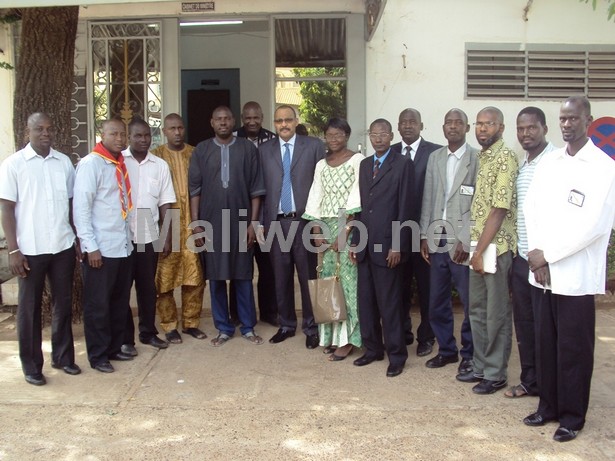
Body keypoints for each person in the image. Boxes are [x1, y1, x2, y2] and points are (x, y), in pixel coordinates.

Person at [523, 96, 615, 442]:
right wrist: (536, 253)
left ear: (587, 121)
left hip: (574, 275)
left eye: (573, 119)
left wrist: (549, 256)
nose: (566, 124)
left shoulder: (604, 166)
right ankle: (548, 407)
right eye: (562, 119)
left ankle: (573, 417)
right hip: (544, 272)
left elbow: (594, 225)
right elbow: (533, 207)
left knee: (574, 349)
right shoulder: (551, 162)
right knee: (546, 343)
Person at [0, 113, 80, 385]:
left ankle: (63, 357)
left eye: (49, 128)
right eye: (39, 129)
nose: (45, 133)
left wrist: (77, 239)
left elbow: (71, 205)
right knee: (29, 309)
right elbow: (7, 209)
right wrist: (13, 250)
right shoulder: (13, 165)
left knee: (63, 305)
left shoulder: (64, 163)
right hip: (30, 249)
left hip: (62, 245)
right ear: (28, 131)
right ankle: (32, 366)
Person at [189, 106, 266, 346]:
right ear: (212, 123)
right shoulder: (201, 150)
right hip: (211, 223)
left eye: (227, 119)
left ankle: (247, 326)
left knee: (243, 276)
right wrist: (197, 224)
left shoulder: (247, 148)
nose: (223, 123)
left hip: (241, 222)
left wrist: (253, 224)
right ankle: (223, 327)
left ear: (234, 122)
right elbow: (195, 191)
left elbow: (256, 190)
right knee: (217, 277)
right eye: (218, 119)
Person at [456, 107, 518, 395]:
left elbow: (499, 209)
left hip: (496, 248)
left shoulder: (505, 157)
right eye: (479, 124)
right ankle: (480, 366)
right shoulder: (483, 157)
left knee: (496, 314)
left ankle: (495, 372)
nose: (482, 129)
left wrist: (479, 252)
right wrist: (471, 248)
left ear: (501, 128)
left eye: (489, 124)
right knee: (477, 311)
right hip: (478, 248)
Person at [349, 118, 416, 378]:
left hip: (389, 246)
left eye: (383, 134)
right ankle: (373, 349)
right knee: (366, 302)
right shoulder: (365, 165)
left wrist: (398, 245)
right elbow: (361, 207)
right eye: (373, 134)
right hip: (365, 244)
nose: (378, 138)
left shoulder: (402, 165)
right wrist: (355, 242)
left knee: (389, 305)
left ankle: (396, 356)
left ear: (391, 136)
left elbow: (406, 207)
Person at [259, 105, 326, 349]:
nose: (284, 124)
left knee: (308, 277)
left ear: (296, 121)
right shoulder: (264, 150)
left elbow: (322, 184)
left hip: (304, 222)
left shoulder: (314, 146)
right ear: (274, 123)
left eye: (288, 120)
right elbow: (260, 189)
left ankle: (312, 327)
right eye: (279, 121)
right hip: (276, 223)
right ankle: (286, 324)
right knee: (281, 277)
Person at [73, 119, 135, 373]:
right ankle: (97, 356)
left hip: (122, 246)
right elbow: (81, 209)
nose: (120, 138)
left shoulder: (121, 164)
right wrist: (90, 246)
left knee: (119, 303)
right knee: (98, 305)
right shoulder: (91, 164)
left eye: (123, 134)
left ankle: (112, 348)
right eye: (114, 134)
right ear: (102, 135)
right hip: (101, 249)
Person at [419, 109, 478, 375]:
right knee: (437, 300)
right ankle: (446, 350)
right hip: (437, 239)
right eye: (449, 123)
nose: (453, 127)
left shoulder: (477, 158)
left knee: (468, 301)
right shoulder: (435, 158)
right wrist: (423, 235)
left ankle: (469, 353)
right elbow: (428, 198)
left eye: (458, 123)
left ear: (467, 128)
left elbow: (480, 205)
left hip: (461, 242)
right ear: (443, 128)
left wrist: (466, 239)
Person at [505, 107, 556, 399]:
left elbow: (558, 215)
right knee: (524, 325)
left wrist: (545, 255)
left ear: (544, 129)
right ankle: (530, 381)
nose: (525, 134)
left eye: (531, 128)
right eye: (521, 129)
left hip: (544, 261)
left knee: (545, 327)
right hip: (521, 258)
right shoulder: (523, 165)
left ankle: (548, 386)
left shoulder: (555, 163)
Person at [303, 118, 363, 361]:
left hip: (347, 226)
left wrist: (344, 230)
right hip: (325, 228)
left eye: (339, 134)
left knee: (347, 284)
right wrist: (316, 229)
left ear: (347, 135)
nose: (334, 139)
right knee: (328, 284)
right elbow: (315, 194)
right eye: (329, 135)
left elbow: (357, 196)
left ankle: (349, 340)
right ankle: (331, 337)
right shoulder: (320, 164)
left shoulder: (357, 161)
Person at [120, 118, 176, 356]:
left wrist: (166, 236)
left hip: (148, 235)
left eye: (147, 136)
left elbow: (166, 203)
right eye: (137, 136)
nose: (143, 140)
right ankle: (124, 339)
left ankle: (147, 332)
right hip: (121, 238)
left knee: (146, 288)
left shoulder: (160, 165)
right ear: (128, 136)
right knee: (122, 289)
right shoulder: (118, 161)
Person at [391, 108, 442, 356]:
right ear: (398, 127)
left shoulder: (435, 152)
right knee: (398, 287)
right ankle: (403, 331)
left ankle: (426, 336)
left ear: (421, 126)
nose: (408, 126)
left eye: (413, 122)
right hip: (397, 234)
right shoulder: (389, 152)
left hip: (425, 233)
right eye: (404, 122)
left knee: (426, 288)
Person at [153, 114, 207, 344]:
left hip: (193, 224)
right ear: (164, 131)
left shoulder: (196, 154)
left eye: (180, 128)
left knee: (194, 278)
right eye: (172, 128)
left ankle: (191, 323)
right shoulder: (155, 157)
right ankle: (169, 325)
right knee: (164, 280)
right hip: (166, 225)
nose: (177, 132)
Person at [231, 101, 278, 326]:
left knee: (267, 266)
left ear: (262, 117)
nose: (252, 121)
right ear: (242, 117)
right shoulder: (232, 138)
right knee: (240, 267)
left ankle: (269, 312)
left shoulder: (272, 140)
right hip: (238, 213)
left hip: (266, 215)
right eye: (247, 118)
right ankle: (238, 314)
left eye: (256, 117)